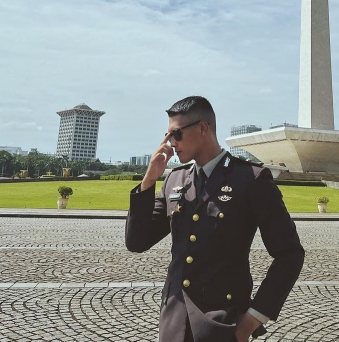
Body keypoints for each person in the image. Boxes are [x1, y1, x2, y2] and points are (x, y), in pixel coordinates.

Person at [125, 96, 305, 342]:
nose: (170, 143)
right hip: (173, 325)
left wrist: (253, 319)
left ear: (202, 128)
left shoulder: (250, 179)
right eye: (167, 136)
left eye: (176, 134)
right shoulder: (174, 181)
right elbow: (137, 241)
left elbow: (290, 253)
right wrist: (148, 181)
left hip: (222, 325)